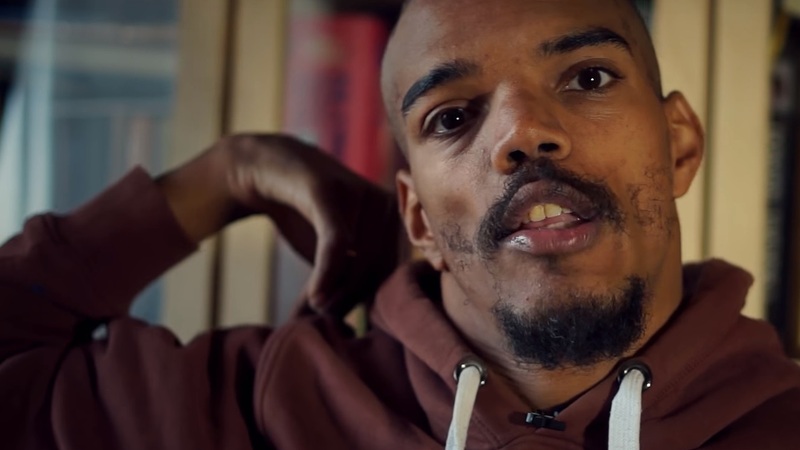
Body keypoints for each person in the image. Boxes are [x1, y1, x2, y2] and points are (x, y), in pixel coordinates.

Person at [2, 0, 799, 448]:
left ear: (679, 145)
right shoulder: (257, 405)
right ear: (415, 214)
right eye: (452, 117)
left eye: (587, 78)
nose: (522, 131)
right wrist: (228, 173)